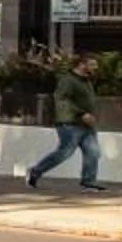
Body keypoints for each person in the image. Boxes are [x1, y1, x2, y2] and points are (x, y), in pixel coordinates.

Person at [28, 54, 107, 191]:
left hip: (86, 125)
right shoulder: (67, 80)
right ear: (82, 64)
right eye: (92, 65)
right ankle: (35, 172)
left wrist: (91, 115)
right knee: (64, 153)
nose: (96, 68)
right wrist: (81, 113)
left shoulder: (86, 81)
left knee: (93, 152)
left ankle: (88, 182)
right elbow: (61, 100)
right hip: (70, 123)